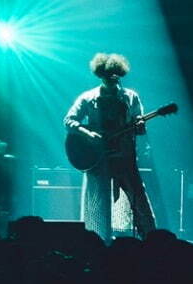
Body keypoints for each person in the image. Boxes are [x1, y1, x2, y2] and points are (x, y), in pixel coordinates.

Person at [64, 52, 155, 240]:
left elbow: (140, 129)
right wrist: (88, 134)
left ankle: (152, 241)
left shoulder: (130, 97)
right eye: (108, 77)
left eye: (116, 77)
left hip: (125, 157)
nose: (113, 80)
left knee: (140, 202)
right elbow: (69, 121)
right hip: (98, 160)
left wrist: (139, 126)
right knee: (98, 206)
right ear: (100, 76)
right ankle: (97, 243)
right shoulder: (88, 98)